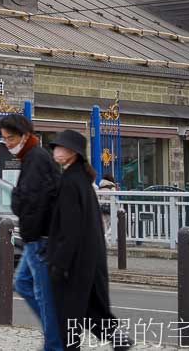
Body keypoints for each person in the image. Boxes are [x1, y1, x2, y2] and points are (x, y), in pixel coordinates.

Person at [47, 130, 130, 350]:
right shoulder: (81, 180)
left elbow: (70, 228)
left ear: (72, 153)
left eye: (60, 147)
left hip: (76, 263)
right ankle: (119, 340)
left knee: (70, 315)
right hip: (88, 259)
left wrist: (59, 263)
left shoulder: (70, 182)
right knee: (89, 309)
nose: (55, 150)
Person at [0, 114, 62, 351]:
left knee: (44, 296)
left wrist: (31, 233)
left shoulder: (36, 159)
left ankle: (56, 343)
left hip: (40, 238)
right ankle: (55, 334)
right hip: (36, 237)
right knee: (23, 283)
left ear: (25, 136)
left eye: (11, 138)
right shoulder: (32, 157)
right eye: (4, 139)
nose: (8, 143)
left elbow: (33, 201)